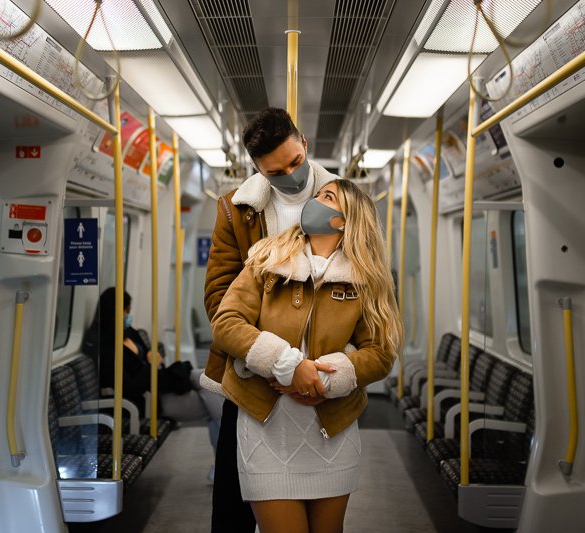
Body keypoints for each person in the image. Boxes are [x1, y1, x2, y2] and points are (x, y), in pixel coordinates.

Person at [211, 179, 402, 533]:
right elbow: (226, 322)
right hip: (265, 426)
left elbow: (381, 352)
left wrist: (325, 379)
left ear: (342, 221)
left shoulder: (366, 280)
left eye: (327, 197)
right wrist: (288, 365)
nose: (314, 200)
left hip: (332, 428)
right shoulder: (267, 258)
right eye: (317, 195)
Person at [203, 107, 338, 532]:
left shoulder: (345, 202)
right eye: (275, 173)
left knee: (320, 513)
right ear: (258, 172)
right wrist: (273, 358)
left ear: (306, 144)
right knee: (232, 506)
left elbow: (367, 296)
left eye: (296, 162)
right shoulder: (235, 210)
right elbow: (219, 298)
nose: (290, 175)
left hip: (324, 370)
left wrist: (323, 369)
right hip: (250, 374)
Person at [83, 287, 223, 455]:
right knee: (215, 406)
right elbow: (130, 387)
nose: (128, 316)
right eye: (125, 311)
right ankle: (222, 465)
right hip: (147, 398)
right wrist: (150, 365)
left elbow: (145, 357)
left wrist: (149, 357)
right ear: (112, 312)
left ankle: (220, 468)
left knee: (210, 380)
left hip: (161, 383)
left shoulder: (129, 332)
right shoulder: (104, 349)